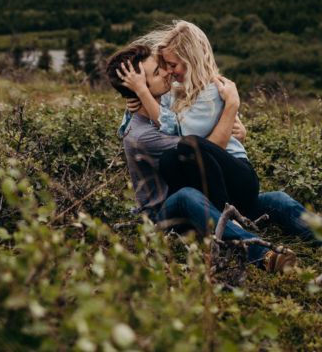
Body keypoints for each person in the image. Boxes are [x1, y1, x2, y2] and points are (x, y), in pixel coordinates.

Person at [105, 43, 296, 271]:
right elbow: (202, 147)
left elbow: (190, 104)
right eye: (157, 72)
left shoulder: (163, 103)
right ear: (139, 88)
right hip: (165, 215)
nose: (167, 73)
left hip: (203, 200)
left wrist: (236, 124)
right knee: (188, 194)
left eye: (162, 66)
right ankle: (262, 255)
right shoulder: (142, 136)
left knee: (277, 200)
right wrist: (231, 107)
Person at [117, 20, 259, 214]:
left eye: (172, 65)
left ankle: (226, 219)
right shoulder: (180, 91)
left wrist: (143, 92)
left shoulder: (211, 93)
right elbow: (161, 105)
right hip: (215, 176)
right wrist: (135, 103)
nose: (168, 71)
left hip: (237, 176)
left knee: (188, 146)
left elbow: (195, 146)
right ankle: (205, 217)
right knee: (170, 160)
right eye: (164, 65)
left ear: (191, 61)